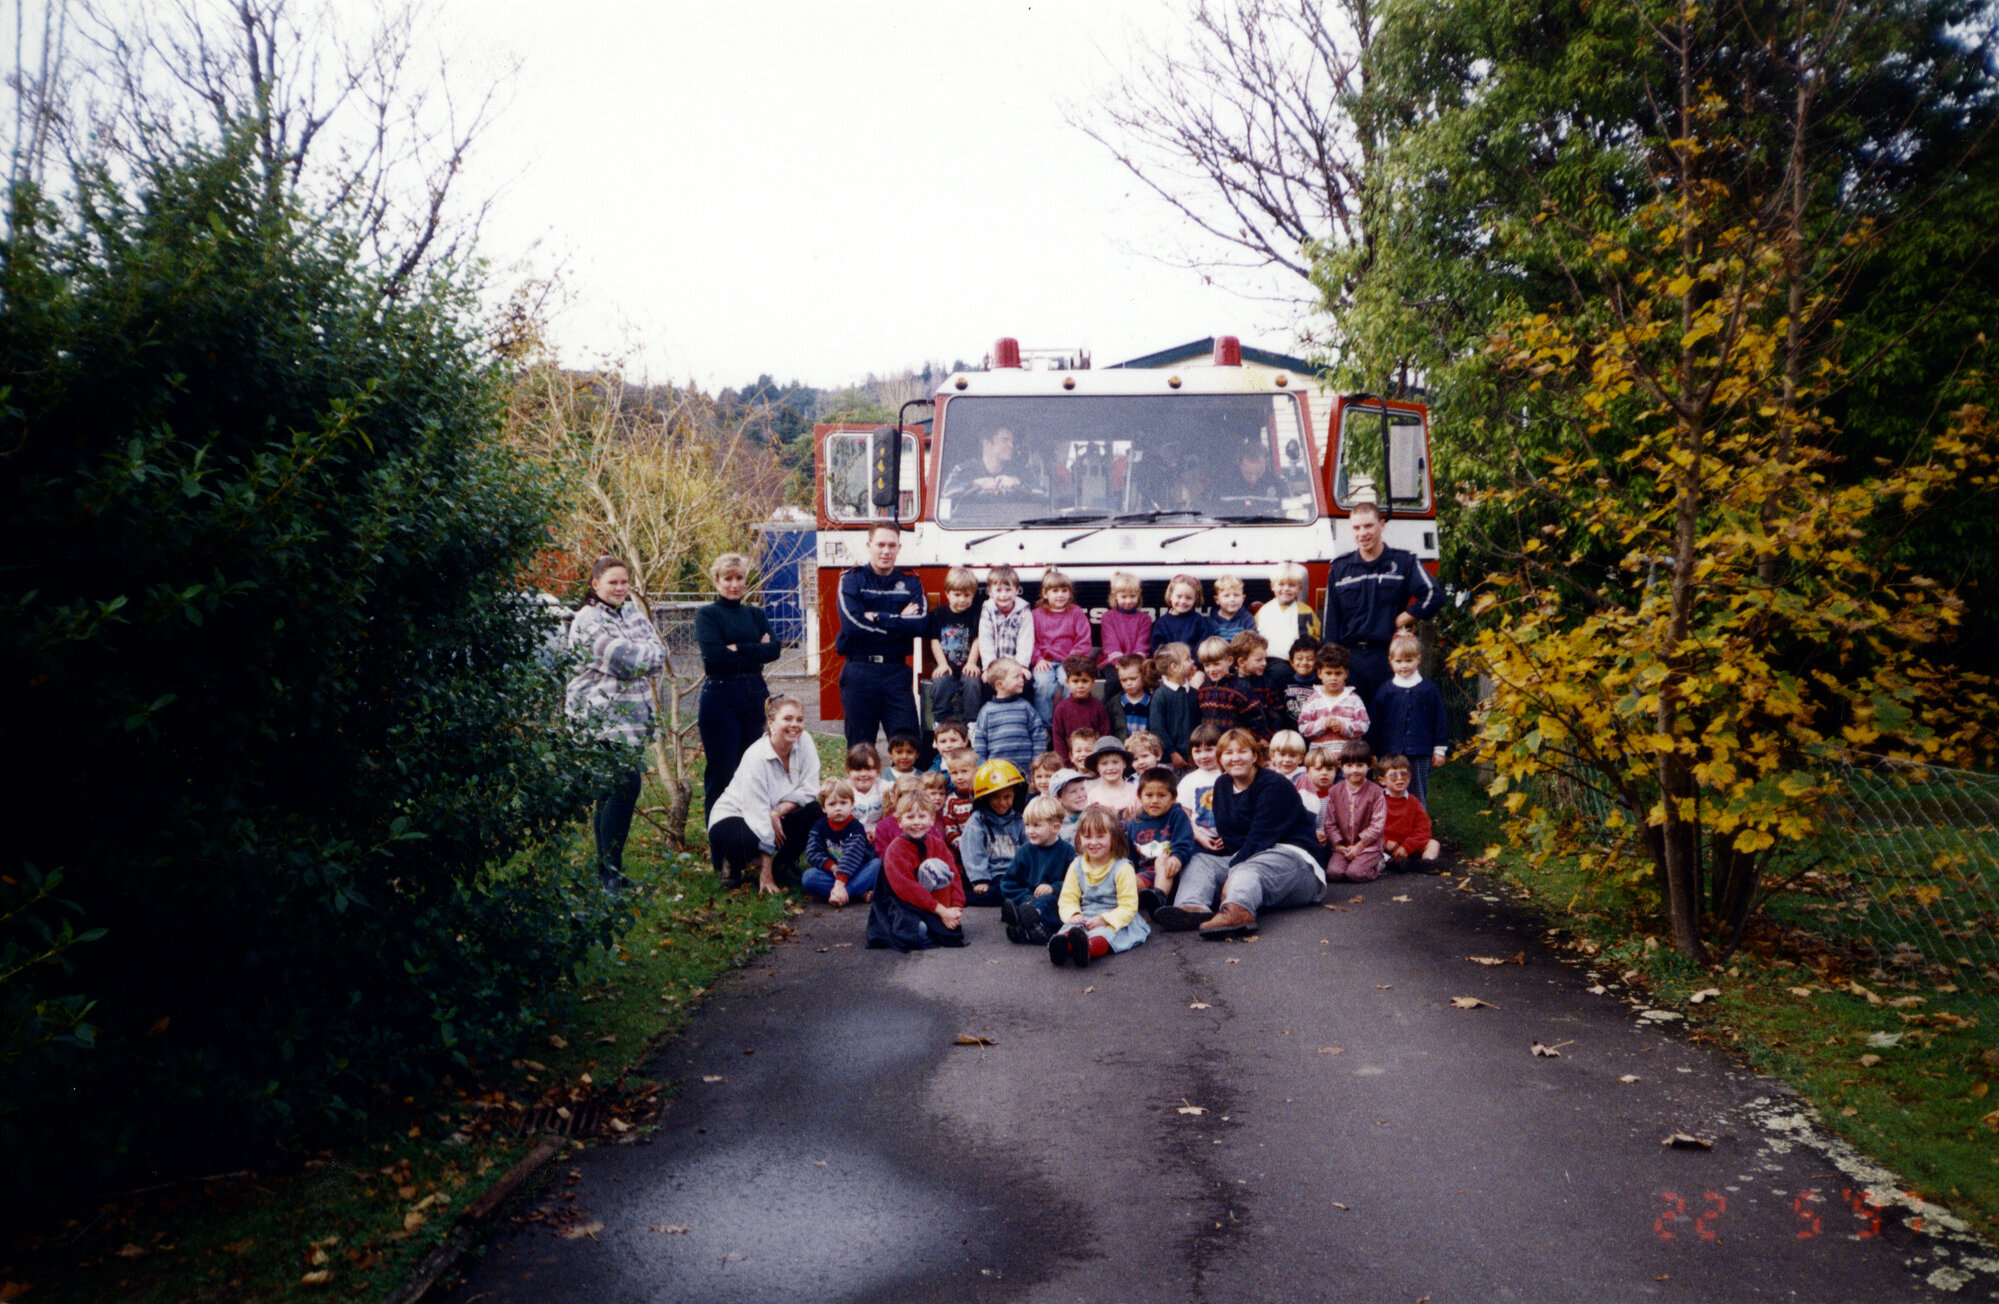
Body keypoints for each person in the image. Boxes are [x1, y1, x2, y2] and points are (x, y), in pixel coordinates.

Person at [1154, 727, 1324, 938]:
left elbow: (1260, 838)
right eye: (1228, 753)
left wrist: (1233, 871)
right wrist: (1230, 868)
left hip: (1295, 860)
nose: (1235, 758)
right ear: (1220, 759)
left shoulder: (1274, 784)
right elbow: (1230, 837)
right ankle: (1192, 908)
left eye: (1242, 751)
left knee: (1245, 869)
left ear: (1255, 756)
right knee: (1200, 862)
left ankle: (1239, 910)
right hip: (1248, 856)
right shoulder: (1222, 785)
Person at [566, 555, 666, 891]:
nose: (620, 588)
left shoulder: (632, 612)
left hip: (631, 721)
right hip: (600, 720)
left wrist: (639, 655)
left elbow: (659, 653)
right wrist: (639, 654)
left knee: (610, 792)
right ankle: (610, 872)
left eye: (624, 582)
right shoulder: (587, 619)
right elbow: (626, 660)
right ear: (596, 584)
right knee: (625, 787)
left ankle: (607, 873)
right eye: (613, 582)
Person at [1322, 500, 1443, 707]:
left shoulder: (1403, 562)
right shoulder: (1340, 568)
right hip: (1350, 662)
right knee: (1352, 721)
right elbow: (1330, 624)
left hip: (1388, 659)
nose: (1362, 533)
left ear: (1381, 525)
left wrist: (1406, 617)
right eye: (1356, 528)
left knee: (1390, 720)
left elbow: (1435, 595)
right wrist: (1331, 665)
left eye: (1368, 526)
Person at [693, 551, 781, 816]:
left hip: (755, 694)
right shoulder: (707, 615)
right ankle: (718, 833)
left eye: (739, 578)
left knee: (755, 768)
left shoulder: (755, 614)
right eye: (728, 578)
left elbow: (774, 650)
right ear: (717, 581)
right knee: (722, 770)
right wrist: (756, 649)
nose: (734, 584)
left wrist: (738, 647)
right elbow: (716, 657)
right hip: (720, 696)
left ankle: (751, 830)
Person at [706, 695, 821, 893]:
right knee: (747, 840)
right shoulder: (756, 756)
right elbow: (757, 813)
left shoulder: (805, 741)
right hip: (737, 814)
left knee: (815, 811)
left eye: (799, 719)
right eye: (787, 719)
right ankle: (732, 862)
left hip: (776, 809)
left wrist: (778, 810)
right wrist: (765, 872)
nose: (795, 725)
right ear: (771, 723)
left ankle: (783, 864)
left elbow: (810, 788)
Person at [836, 522, 928, 748]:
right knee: (860, 750)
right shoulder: (851, 579)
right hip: (859, 672)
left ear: (899, 548)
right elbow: (852, 626)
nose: (886, 551)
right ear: (869, 545)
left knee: (908, 746)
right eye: (880, 545)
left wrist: (876, 616)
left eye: (892, 545)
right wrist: (899, 619)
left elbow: (919, 625)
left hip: (896, 673)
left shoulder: (910, 581)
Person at [1048, 805, 1151, 967]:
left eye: (1100, 836)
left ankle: (1087, 949)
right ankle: (1062, 947)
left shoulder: (1122, 867)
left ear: (1113, 837)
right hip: (1085, 915)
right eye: (1087, 837)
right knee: (1071, 931)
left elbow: (1128, 906)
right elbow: (1068, 898)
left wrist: (1105, 919)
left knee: (1104, 935)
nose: (1093, 842)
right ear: (1079, 838)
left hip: (1114, 918)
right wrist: (1074, 914)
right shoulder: (1076, 865)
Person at [866, 789, 968, 951]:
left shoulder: (937, 844)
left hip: (934, 900)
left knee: (935, 867)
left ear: (932, 819)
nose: (916, 822)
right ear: (899, 821)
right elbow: (908, 889)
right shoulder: (895, 849)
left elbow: (954, 876)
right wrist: (941, 911)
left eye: (922, 816)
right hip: (902, 901)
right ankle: (930, 925)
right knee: (914, 930)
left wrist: (955, 909)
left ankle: (940, 921)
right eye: (910, 817)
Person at [1370, 634, 1451, 802]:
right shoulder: (1385, 691)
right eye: (1398, 661)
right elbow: (1375, 723)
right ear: (1390, 661)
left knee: (1417, 793)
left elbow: (1439, 719)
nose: (1404, 665)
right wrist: (1373, 751)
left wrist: (1439, 749)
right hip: (1389, 752)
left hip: (1420, 752)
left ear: (1418, 659)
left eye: (1408, 660)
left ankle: (1418, 819)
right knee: (1388, 793)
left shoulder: (1429, 689)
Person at [1000, 795, 1072, 945]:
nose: (1030, 831)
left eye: (1036, 826)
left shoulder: (1067, 852)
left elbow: (1076, 883)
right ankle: (1027, 923)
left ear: (1055, 827)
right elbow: (1009, 883)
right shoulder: (1024, 851)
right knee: (1013, 901)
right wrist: (1027, 898)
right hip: (1028, 898)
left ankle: (1030, 922)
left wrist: (1053, 888)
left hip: (1054, 900)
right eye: (1027, 825)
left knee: (1050, 903)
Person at [1127, 766, 1195, 914]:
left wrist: (1177, 857)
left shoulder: (1177, 815)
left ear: (1173, 798)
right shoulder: (1135, 822)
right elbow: (1130, 854)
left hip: (1172, 871)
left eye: (1161, 795)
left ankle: (1159, 897)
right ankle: (1143, 901)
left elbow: (1185, 842)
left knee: (1162, 860)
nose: (1154, 801)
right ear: (1140, 796)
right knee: (1127, 881)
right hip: (1146, 874)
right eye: (1149, 795)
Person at [801, 779, 879, 908]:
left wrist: (839, 883)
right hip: (832, 873)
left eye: (843, 803)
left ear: (852, 804)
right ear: (823, 807)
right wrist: (832, 867)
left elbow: (851, 856)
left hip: (858, 872)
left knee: (877, 865)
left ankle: (842, 893)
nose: (838, 808)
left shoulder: (855, 828)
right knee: (808, 877)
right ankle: (856, 893)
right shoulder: (820, 826)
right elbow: (812, 852)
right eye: (832, 804)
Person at [960, 759, 1027, 907]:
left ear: (1015, 795)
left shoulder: (1019, 819)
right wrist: (980, 879)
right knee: (1005, 891)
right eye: (995, 797)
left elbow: (1028, 848)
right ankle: (964, 897)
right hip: (993, 875)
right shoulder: (977, 821)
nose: (1002, 803)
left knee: (1023, 888)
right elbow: (973, 853)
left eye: (1007, 797)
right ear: (985, 798)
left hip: (1016, 872)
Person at [1029, 568, 1093, 721]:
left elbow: (1083, 640)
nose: (1060, 595)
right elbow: (1029, 641)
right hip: (1045, 662)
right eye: (1055, 591)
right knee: (1043, 685)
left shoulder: (1076, 612)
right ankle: (1045, 725)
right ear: (1045, 593)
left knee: (1071, 684)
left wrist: (1072, 660)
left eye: (1064, 590)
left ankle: (1069, 721)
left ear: (1070, 593)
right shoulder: (1036, 615)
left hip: (1070, 661)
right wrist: (1038, 659)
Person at [926, 566, 983, 730]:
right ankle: (940, 723)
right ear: (947, 593)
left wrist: (971, 663)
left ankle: (972, 724)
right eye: (957, 595)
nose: (962, 599)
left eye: (967, 595)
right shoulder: (939, 613)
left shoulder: (976, 613)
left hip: (968, 665)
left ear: (973, 595)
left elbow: (977, 639)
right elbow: (935, 641)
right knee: (941, 683)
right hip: (946, 664)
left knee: (972, 683)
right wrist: (942, 664)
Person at [1322, 740, 1386, 883]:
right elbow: (1329, 823)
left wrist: (1359, 846)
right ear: (1341, 766)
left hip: (1368, 846)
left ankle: (1378, 864)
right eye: (1349, 766)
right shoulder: (1334, 791)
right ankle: (1353, 862)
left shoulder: (1376, 792)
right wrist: (1338, 845)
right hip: (1344, 846)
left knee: (1355, 873)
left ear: (1369, 765)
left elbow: (1377, 826)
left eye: (1360, 765)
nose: (1354, 770)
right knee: (1333, 873)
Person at [974, 657, 1047, 774]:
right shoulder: (987, 711)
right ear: (1000, 684)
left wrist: (1037, 762)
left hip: (1026, 772)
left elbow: (1038, 735)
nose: (1021, 680)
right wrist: (982, 767)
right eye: (1016, 677)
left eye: (1021, 676)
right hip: (997, 774)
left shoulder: (1026, 707)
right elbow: (980, 742)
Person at [941, 425, 1043, 501]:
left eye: (1012, 441)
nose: (1011, 446)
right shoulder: (963, 471)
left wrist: (1018, 483)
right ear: (987, 443)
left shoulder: (1021, 472)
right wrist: (975, 484)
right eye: (1005, 440)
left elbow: (1042, 494)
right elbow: (946, 495)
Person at [1297, 643, 1370, 748]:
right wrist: (1323, 724)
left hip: (1347, 756)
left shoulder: (1354, 699)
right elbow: (1302, 728)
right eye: (1328, 673)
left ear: (1346, 673)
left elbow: (1364, 725)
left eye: (1338, 673)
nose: (1333, 678)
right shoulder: (1312, 700)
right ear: (1319, 673)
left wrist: (1343, 726)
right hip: (1320, 756)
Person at [1380, 753, 1442, 869]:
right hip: (1385, 846)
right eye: (1393, 775)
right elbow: (1370, 827)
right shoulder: (1378, 800)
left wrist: (1407, 847)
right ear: (1383, 781)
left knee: (1434, 844)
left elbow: (1424, 829)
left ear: (1409, 777)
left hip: (1408, 847)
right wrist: (1385, 842)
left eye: (1404, 774)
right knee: (1370, 847)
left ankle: (1425, 864)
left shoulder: (1414, 802)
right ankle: (1391, 863)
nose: (1399, 778)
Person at [1256, 562, 1322, 663]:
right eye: (1281, 584)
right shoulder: (1263, 612)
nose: (1286, 589)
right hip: (1270, 661)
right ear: (1272, 586)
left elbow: (1316, 637)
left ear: (1299, 588)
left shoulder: (1306, 611)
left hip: (1299, 663)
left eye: (1292, 585)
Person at [1195, 636, 1259, 736]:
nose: (1211, 670)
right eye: (1207, 665)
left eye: (1216, 664)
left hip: (1234, 742)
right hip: (1211, 742)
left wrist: (1246, 739)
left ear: (1229, 661)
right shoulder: (1203, 689)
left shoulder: (1241, 688)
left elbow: (1257, 719)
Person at [976, 564, 1035, 673]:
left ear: (1017, 590)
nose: (1003, 595)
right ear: (990, 592)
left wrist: (1022, 666)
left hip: (1015, 664)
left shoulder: (1024, 610)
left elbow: (1026, 641)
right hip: (994, 664)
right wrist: (989, 668)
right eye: (998, 590)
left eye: (1008, 590)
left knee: (1022, 679)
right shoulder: (988, 610)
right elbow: (985, 641)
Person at [1050, 652, 1113, 752]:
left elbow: (1104, 736)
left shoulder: (1098, 708)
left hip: (1093, 757)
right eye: (1075, 681)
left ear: (1092, 682)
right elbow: (1058, 739)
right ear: (1067, 682)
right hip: (1070, 758)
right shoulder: (1061, 709)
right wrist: (1066, 760)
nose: (1080, 686)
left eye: (1085, 681)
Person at [1150, 643, 1198, 769]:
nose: (1193, 661)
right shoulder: (1161, 696)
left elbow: (1198, 727)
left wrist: (1196, 752)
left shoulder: (1194, 694)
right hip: (1169, 761)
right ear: (1174, 667)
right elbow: (1157, 728)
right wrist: (1172, 753)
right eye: (1188, 659)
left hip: (1193, 758)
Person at [1098, 571, 1154, 675]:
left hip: (1138, 662)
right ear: (1115, 595)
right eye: (1123, 597)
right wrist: (1121, 664)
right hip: (1114, 662)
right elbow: (1111, 644)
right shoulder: (1108, 617)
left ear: (1138, 594)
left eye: (1132, 596)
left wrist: (1134, 665)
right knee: (1114, 680)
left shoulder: (1145, 619)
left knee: (1144, 677)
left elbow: (1142, 645)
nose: (1128, 601)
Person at [1151, 575, 1211, 654]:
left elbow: (1205, 647)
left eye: (1188, 598)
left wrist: (1191, 660)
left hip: (1193, 661)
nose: (1183, 601)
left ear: (1195, 599)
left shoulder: (1199, 622)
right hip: (1169, 661)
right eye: (1179, 596)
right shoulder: (1161, 624)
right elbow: (1158, 650)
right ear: (1170, 596)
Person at [1083, 736, 1140, 817]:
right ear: (1097, 767)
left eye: (1115, 762)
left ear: (1124, 764)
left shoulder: (1135, 792)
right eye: (1104, 763)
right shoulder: (1093, 795)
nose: (1110, 768)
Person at [1106, 654, 1154, 738]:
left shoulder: (1152, 702)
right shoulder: (1114, 704)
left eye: (1133, 678)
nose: (1128, 683)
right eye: (1123, 680)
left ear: (1144, 676)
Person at [846, 743, 885, 836]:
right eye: (858, 769)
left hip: (878, 833)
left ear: (878, 770)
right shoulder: (844, 789)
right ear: (848, 771)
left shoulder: (884, 788)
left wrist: (875, 832)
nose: (863, 774)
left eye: (868, 769)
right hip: (850, 834)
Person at [1208, 573, 1255, 638]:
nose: (1232, 599)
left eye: (1236, 595)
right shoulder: (1210, 622)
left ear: (1243, 598)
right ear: (1217, 600)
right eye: (1226, 596)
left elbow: (1252, 641)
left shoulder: (1247, 619)